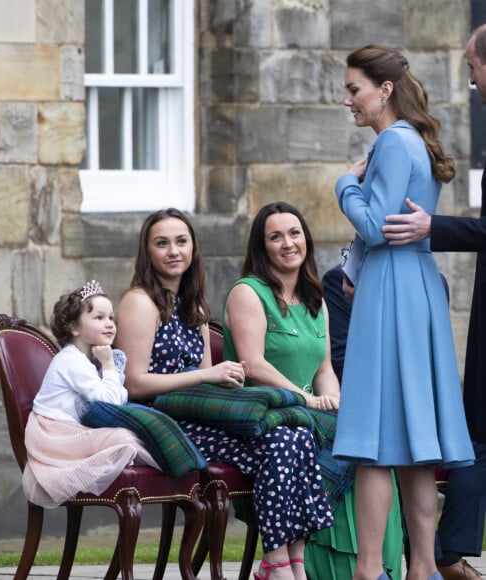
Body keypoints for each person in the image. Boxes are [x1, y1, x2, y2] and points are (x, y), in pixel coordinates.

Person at [115, 207, 335, 580]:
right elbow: (134, 384)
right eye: (162, 243)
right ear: (147, 252)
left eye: (182, 242)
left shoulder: (194, 305)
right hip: (162, 422)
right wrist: (207, 375)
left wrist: (221, 379)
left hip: (198, 415)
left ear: (193, 249)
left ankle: (293, 561)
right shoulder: (140, 302)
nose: (174, 251)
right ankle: (278, 563)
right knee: (280, 440)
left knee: (295, 434)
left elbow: (206, 382)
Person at [332, 44, 475, 580]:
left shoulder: (392, 142)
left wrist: (346, 184)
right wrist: (354, 268)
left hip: (392, 287)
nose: (349, 100)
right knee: (416, 441)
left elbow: (376, 227)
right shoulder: (413, 141)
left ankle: (368, 571)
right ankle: (421, 569)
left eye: (354, 90)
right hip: (417, 286)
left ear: (384, 90)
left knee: (373, 441)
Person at [222, 202, 403, 580]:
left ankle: (372, 566)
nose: (288, 243)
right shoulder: (248, 292)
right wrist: (307, 399)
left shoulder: (314, 298)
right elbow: (253, 364)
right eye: (275, 236)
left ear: (306, 239)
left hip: (309, 412)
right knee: (334, 442)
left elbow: (324, 370)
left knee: (367, 439)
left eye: (294, 233)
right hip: (265, 413)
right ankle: (324, 566)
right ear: (261, 246)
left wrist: (334, 400)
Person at [381, 24, 486, 580]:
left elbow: (380, 226)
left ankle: (437, 555)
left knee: (474, 437)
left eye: (473, 68)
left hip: (420, 285)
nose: (470, 80)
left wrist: (431, 227)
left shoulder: (395, 142)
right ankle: (441, 555)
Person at [22, 281, 160, 508]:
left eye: (111, 318)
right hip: (55, 437)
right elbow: (110, 402)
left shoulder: (87, 361)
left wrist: (106, 365)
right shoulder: (71, 360)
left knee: (132, 435)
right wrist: (108, 364)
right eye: (99, 318)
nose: (109, 325)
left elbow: (118, 399)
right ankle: (165, 470)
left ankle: (168, 471)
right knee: (124, 439)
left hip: (71, 433)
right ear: (74, 327)